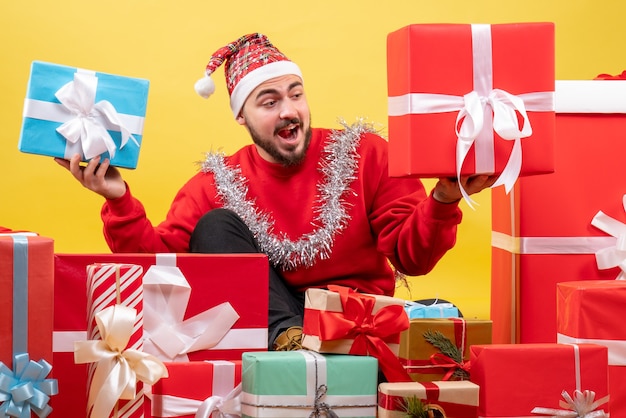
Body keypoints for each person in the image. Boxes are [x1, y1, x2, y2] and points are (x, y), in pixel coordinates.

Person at [55, 33, 495, 352]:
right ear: (241, 118)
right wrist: (117, 199)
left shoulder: (368, 155)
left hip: (356, 325)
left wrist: (443, 198)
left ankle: (310, 350)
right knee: (215, 227)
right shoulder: (214, 185)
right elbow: (158, 269)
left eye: (295, 94)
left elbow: (412, 258)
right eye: (268, 102)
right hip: (267, 336)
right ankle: (291, 344)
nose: (289, 111)